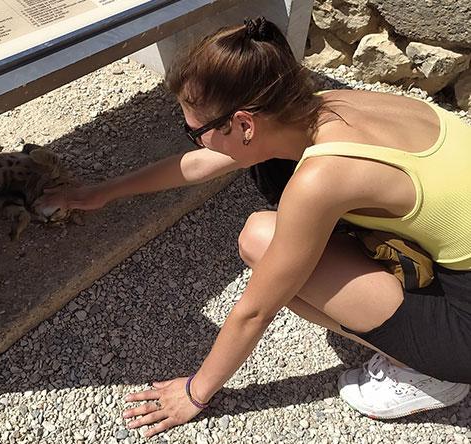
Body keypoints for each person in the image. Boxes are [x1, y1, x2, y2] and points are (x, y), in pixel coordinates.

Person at [34, 17, 471, 438]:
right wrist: (101, 192)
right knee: (271, 214)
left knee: (263, 245)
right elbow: (205, 162)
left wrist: (196, 392)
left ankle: (435, 375)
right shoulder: (330, 106)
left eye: (196, 132)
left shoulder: (323, 177)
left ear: (244, 123)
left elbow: (256, 309)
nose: (197, 141)